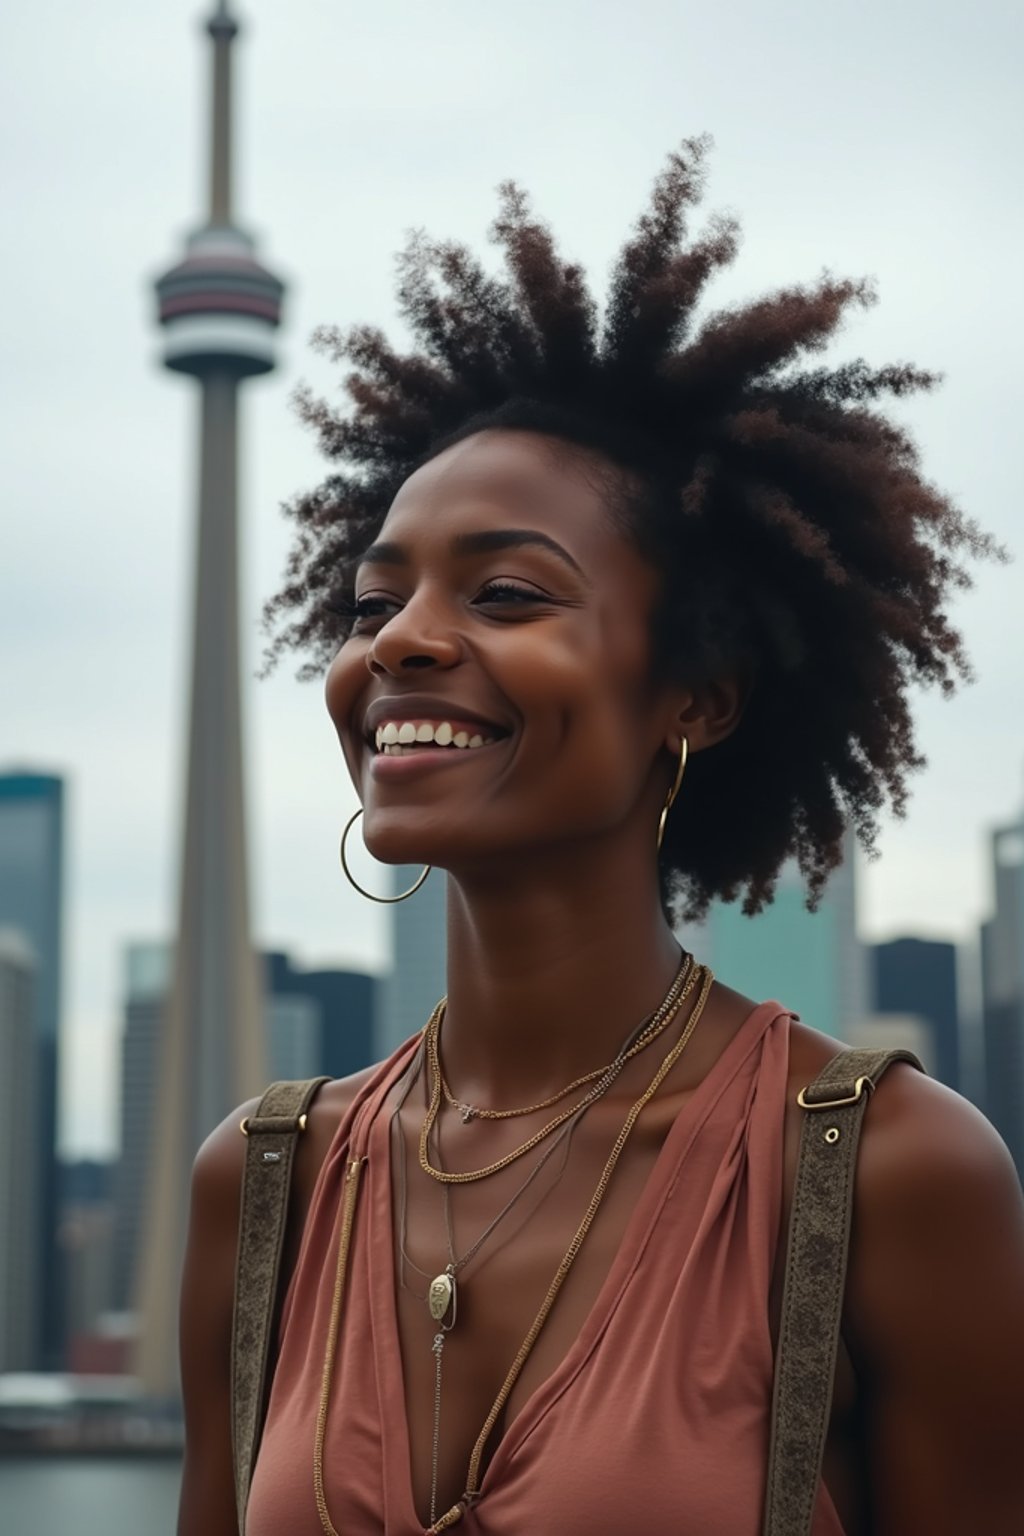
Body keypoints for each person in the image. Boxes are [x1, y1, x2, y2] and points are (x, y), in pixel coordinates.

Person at [177, 139, 1024, 1536]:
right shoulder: (264, 1183)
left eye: (507, 594)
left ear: (693, 695)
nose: (400, 641)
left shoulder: (885, 1174)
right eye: (372, 599)